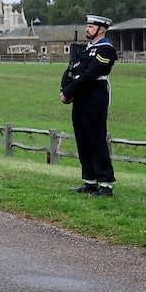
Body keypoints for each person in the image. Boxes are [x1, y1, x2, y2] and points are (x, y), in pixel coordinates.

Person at [62, 15, 117, 196]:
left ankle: (106, 183)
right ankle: (90, 180)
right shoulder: (85, 49)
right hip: (80, 97)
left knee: (95, 139)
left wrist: (69, 92)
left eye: (91, 26)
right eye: (87, 26)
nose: (87, 29)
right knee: (82, 139)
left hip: (94, 97)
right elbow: (72, 70)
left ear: (101, 29)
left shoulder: (105, 50)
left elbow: (89, 74)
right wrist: (64, 89)